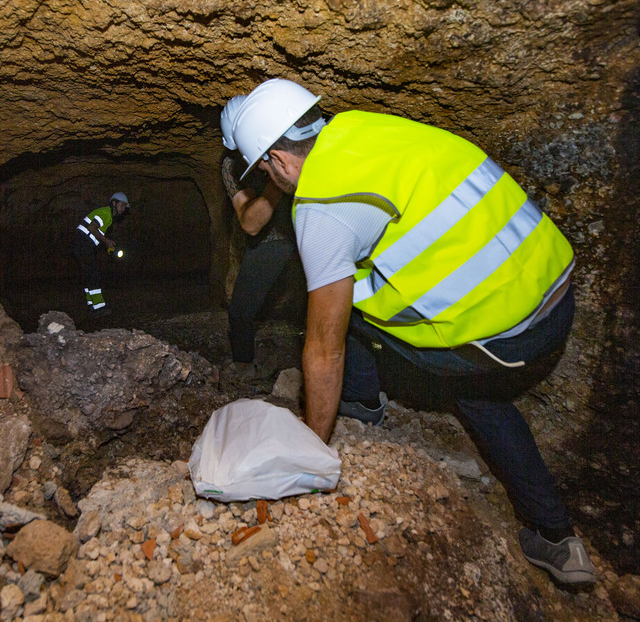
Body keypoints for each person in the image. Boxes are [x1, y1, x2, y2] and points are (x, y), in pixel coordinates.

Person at [226, 78, 597, 586]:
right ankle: (557, 535)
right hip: (554, 278)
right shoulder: (363, 126)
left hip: (510, 336)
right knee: (355, 288)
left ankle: (553, 533)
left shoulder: (320, 211)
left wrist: (310, 450)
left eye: (266, 168)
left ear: (279, 161)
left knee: (472, 390)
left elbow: (323, 350)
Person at [220, 96, 301, 376]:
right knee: (240, 311)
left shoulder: (293, 142)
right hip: (274, 239)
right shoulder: (231, 166)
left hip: (309, 225)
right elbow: (251, 223)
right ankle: (244, 367)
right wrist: (279, 180)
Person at [72, 192, 129, 315]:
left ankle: (91, 305)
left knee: (89, 274)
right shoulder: (105, 213)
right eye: (122, 205)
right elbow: (92, 228)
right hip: (83, 242)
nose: (123, 209)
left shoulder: (108, 218)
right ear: (114, 203)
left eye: (125, 207)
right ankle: (99, 308)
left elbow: (96, 233)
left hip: (82, 243)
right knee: (93, 273)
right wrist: (106, 241)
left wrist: (107, 245)